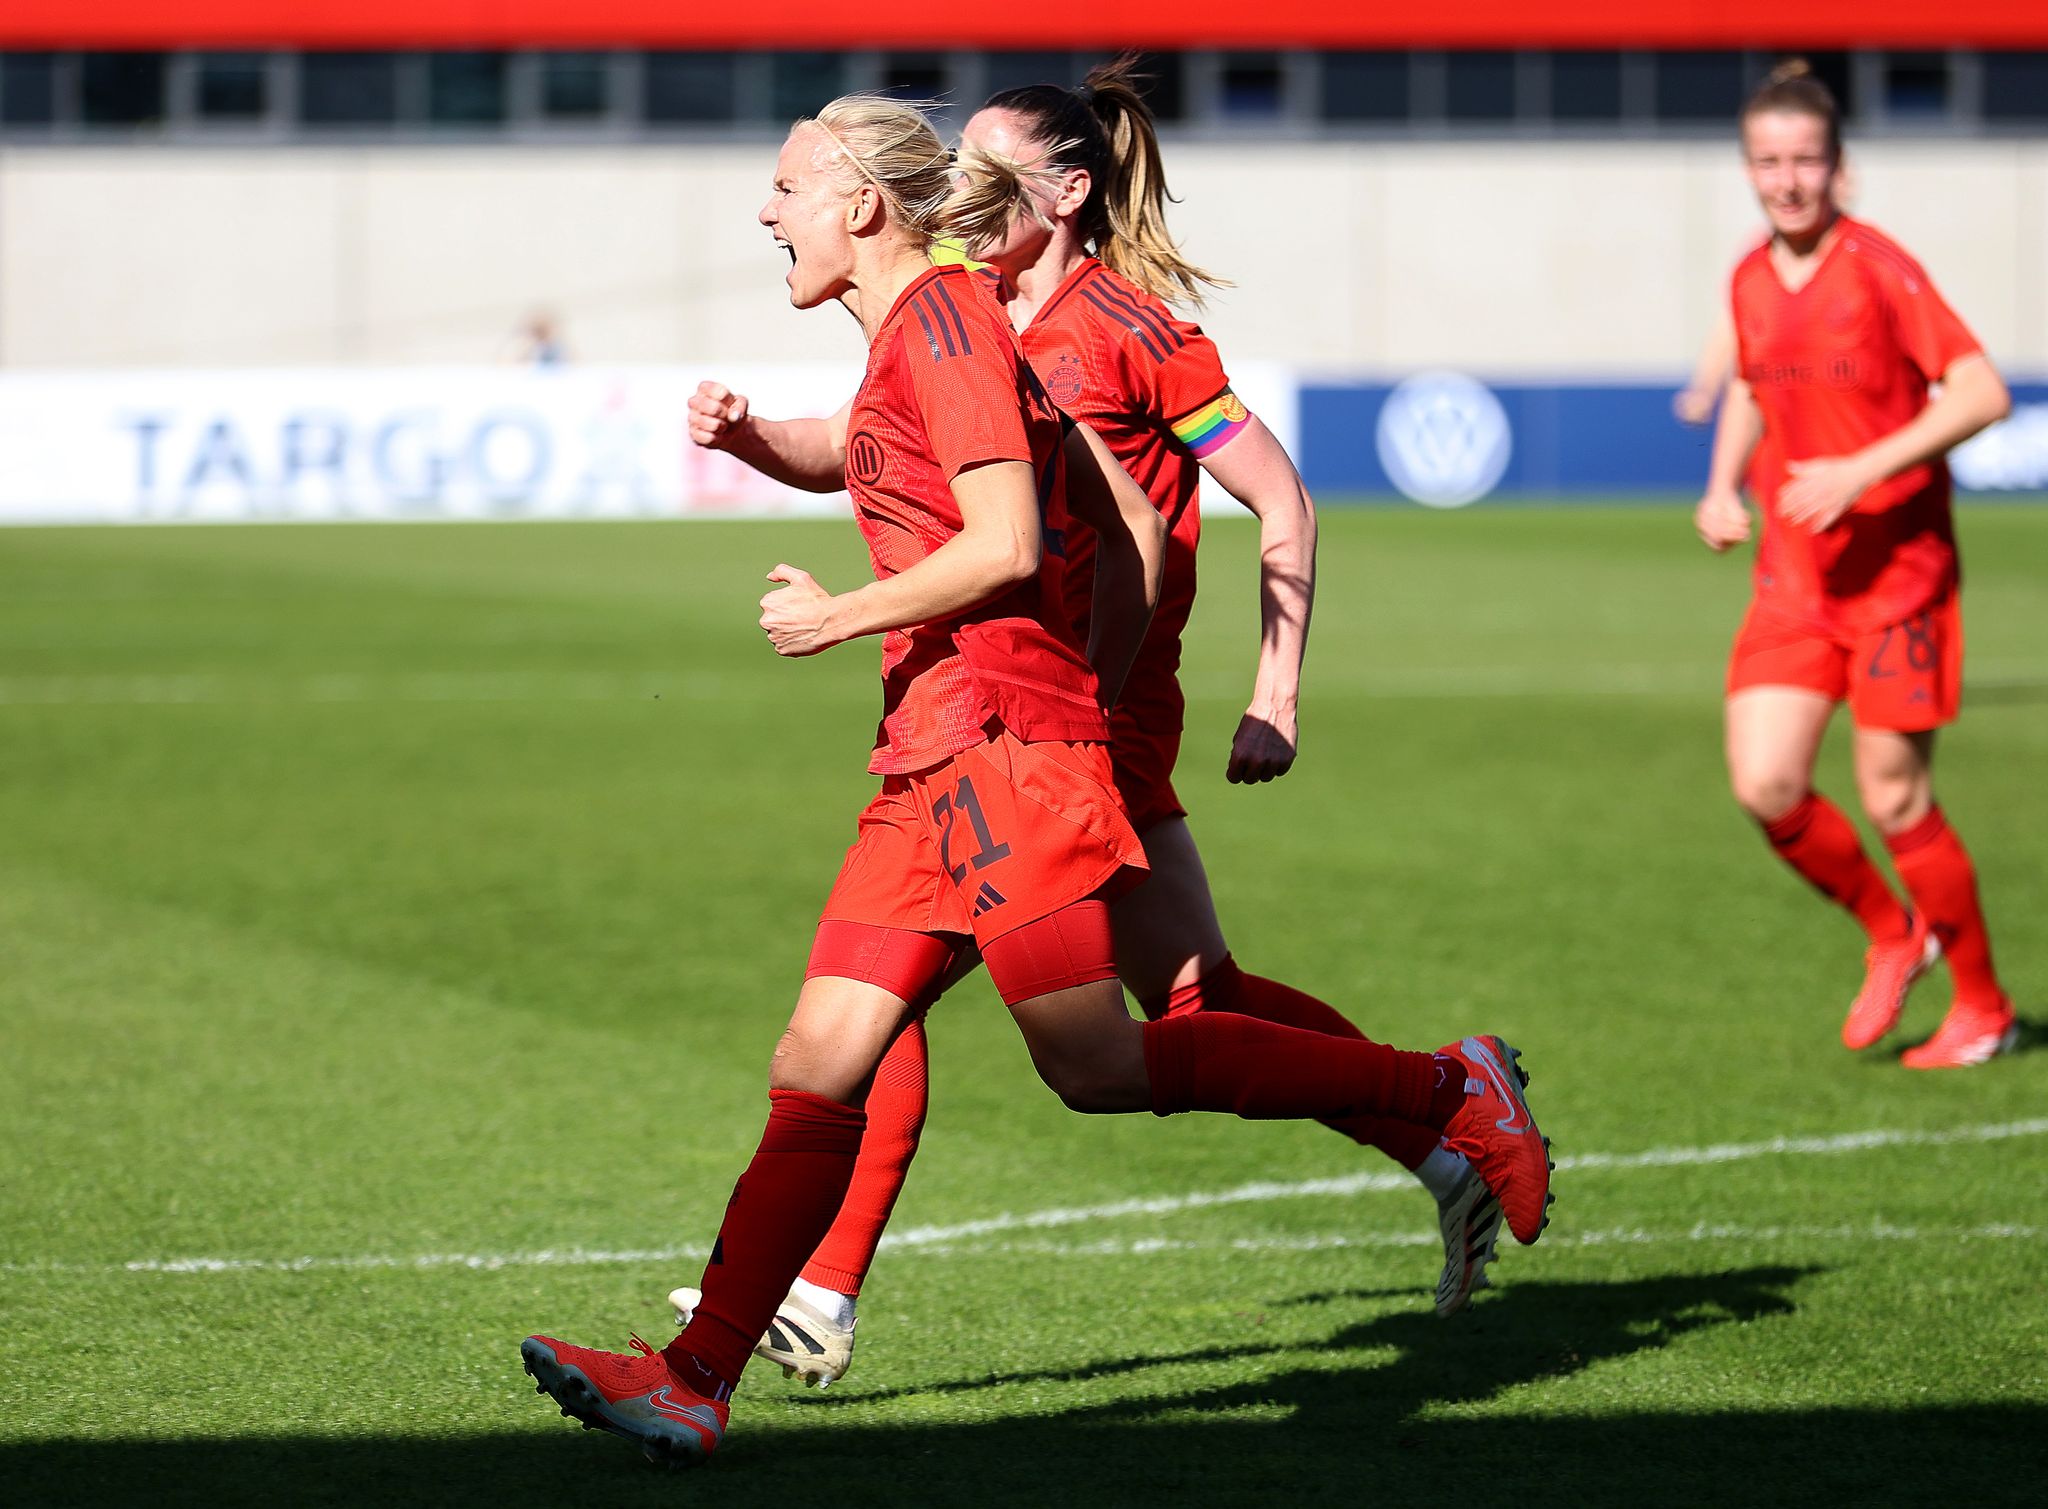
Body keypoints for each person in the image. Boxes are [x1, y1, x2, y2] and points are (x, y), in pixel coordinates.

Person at [520, 93, 1551, 1468]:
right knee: (817, 1061)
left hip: (1003, 751)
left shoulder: (948, 323)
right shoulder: (924, 328)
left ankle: (1441, 1091)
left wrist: (860, 619)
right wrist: (763, 441)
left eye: (786, 188)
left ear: (862, 207)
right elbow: (1105, 514)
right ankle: (698, 1377)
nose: (765, 211)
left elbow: (1014, 539)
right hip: (935, 760)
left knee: (1100, 1061)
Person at [1693, 60, 2016, 1069]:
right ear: (1748, 169)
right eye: (1767, 162)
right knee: (1764, 782)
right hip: (1794, 580)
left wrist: (1856, 471)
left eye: (1803, 160)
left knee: (1891, 798)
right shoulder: (1748, 275)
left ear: (1837, 168)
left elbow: (1980, 394)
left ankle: (1982, 1008)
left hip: (1896, 579)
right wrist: (1720, 484)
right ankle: (1892, 930)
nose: (1785, 180)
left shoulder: (1880, 268)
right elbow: (1752, 381)